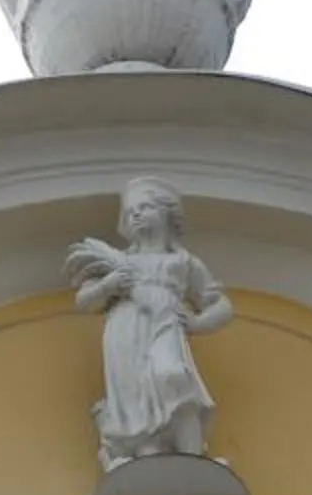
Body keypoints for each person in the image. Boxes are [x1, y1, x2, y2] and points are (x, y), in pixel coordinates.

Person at [69, 177, 235, 471]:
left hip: (166, 326)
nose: (135, 214)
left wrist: (197, 323)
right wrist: (107, 287)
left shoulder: (183, 261)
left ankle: (193, 458)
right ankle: (144, 456)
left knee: (173, 376)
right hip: (125, 330)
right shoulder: (118, 261)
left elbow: (221, 305)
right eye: (131, 210)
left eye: (145, 207)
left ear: (168, 215)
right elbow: (84, 301)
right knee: (133, 396)